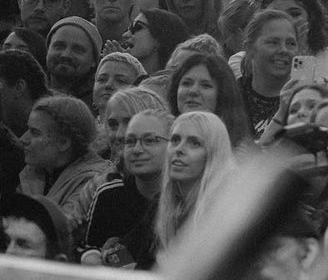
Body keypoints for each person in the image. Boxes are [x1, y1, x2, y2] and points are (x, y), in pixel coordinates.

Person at [81, 108, 173, 269]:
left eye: (149, 140)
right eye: (130, 141)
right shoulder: (109, 196)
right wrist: (91, 256)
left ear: (173, 145)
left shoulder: (183, 200)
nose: (136, 150)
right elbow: (87, 247)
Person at [19, 95, 112, 233]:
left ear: (63, 143)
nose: (23, 139)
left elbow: (58, 234)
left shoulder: (92, 182)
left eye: (35, 133)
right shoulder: (34, 171)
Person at [155, 110, 235, 250]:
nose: (179, 149)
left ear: (214, 155)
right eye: (175, 140)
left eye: (195, 143)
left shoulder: (228, 215)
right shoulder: (168, 209)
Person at [167, 52, 252, 147]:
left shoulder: (241, 150)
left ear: (223, 95)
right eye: (186, 83)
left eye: (205, 85)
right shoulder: (161, 137)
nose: (193, 91)